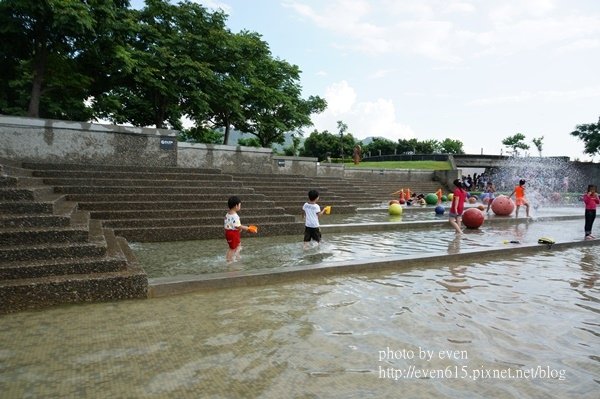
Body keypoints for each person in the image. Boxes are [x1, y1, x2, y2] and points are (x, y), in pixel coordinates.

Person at [224, 196, 255, 262]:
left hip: (231, 232)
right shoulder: (235, 216)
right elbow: (238, 226)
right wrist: (248, 228)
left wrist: (237, 230)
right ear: (236, 206)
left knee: (238, 244)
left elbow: (231, 224)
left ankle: (237, 256)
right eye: (240, 205)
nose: (240, 207)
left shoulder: (228, 214)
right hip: (232, 233)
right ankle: (229, 261)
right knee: (232, 248)